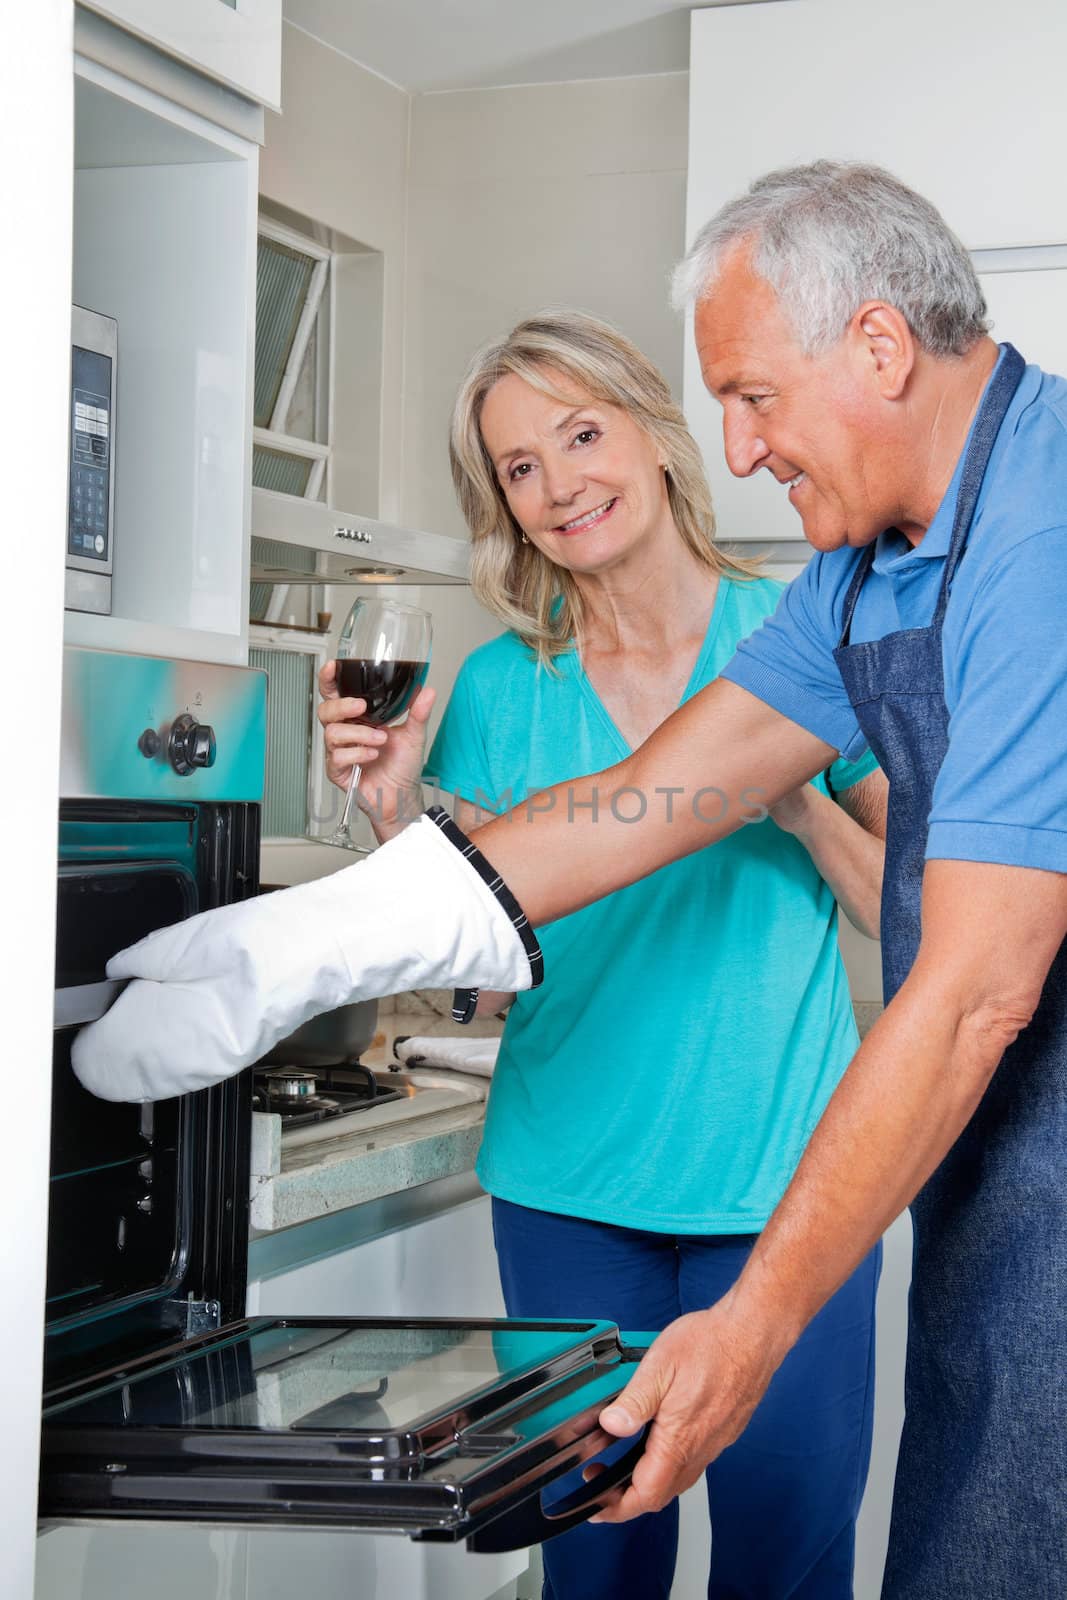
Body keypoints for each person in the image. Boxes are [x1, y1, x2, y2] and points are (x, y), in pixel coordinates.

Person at [71, 161, 1067, 1596]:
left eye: (753, 396)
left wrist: (760, 1315)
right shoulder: (866, 577)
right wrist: (304, 945)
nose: (739, 444)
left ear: (878, 347)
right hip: (981, 1183)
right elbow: (634, 804)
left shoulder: (1040, 541)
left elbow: (975, 986)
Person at [316, 311, 888, 1599]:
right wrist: (400, 820)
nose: (561, 482)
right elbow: (468, 976)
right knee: (594, 1575)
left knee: (785, 1568)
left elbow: (900, 907)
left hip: (783, 1195)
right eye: (521, 467)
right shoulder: (502, 688)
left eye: (582, 434)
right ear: (504, 506)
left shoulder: (804, 637)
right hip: (571, 1197)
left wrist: (784, 790)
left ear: (652, 430)